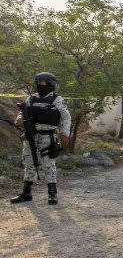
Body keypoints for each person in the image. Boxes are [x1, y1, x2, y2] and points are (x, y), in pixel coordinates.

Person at [10, 72, 71, 205]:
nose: (39, 85)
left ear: (50, 84)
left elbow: (66, 117)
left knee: (49, 164)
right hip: (31, 135)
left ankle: (52, 194)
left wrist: (65, 133)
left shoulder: (57, 99)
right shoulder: (31, 98)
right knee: (28, 162)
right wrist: (19, 119)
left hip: (47, 136)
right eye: (38, 82)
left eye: (42, 82)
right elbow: (22, 112)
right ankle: (26, 193)